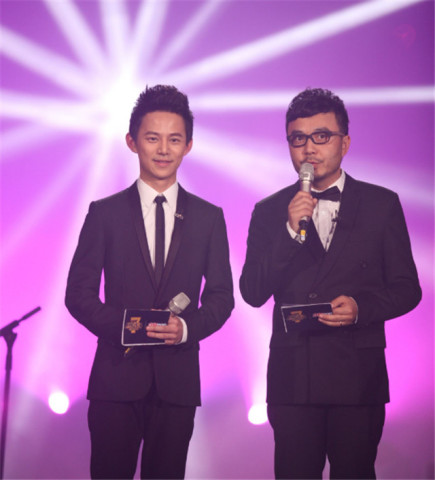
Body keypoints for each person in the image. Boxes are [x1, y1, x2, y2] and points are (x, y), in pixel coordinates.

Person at [239, 88, 421, 479]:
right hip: (293, 379)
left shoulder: (381, 204)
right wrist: (290, 231)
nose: (309, 148)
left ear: (345, 143)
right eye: (298, 138)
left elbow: (408, 288)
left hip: (357, 376)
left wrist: (361, 308)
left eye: (321, 136)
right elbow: (252, 292)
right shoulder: (269, 212)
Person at [65, 85, 234, 479]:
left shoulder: (209, 218)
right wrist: (127, 327)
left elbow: (222, 297)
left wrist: (186, 329)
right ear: (132, 141)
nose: (163, 149)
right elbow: (78, 294)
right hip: (114, 380)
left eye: (174, 139)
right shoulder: (104, 213)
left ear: (188, 145)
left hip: (177, 383)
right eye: (152, 138)